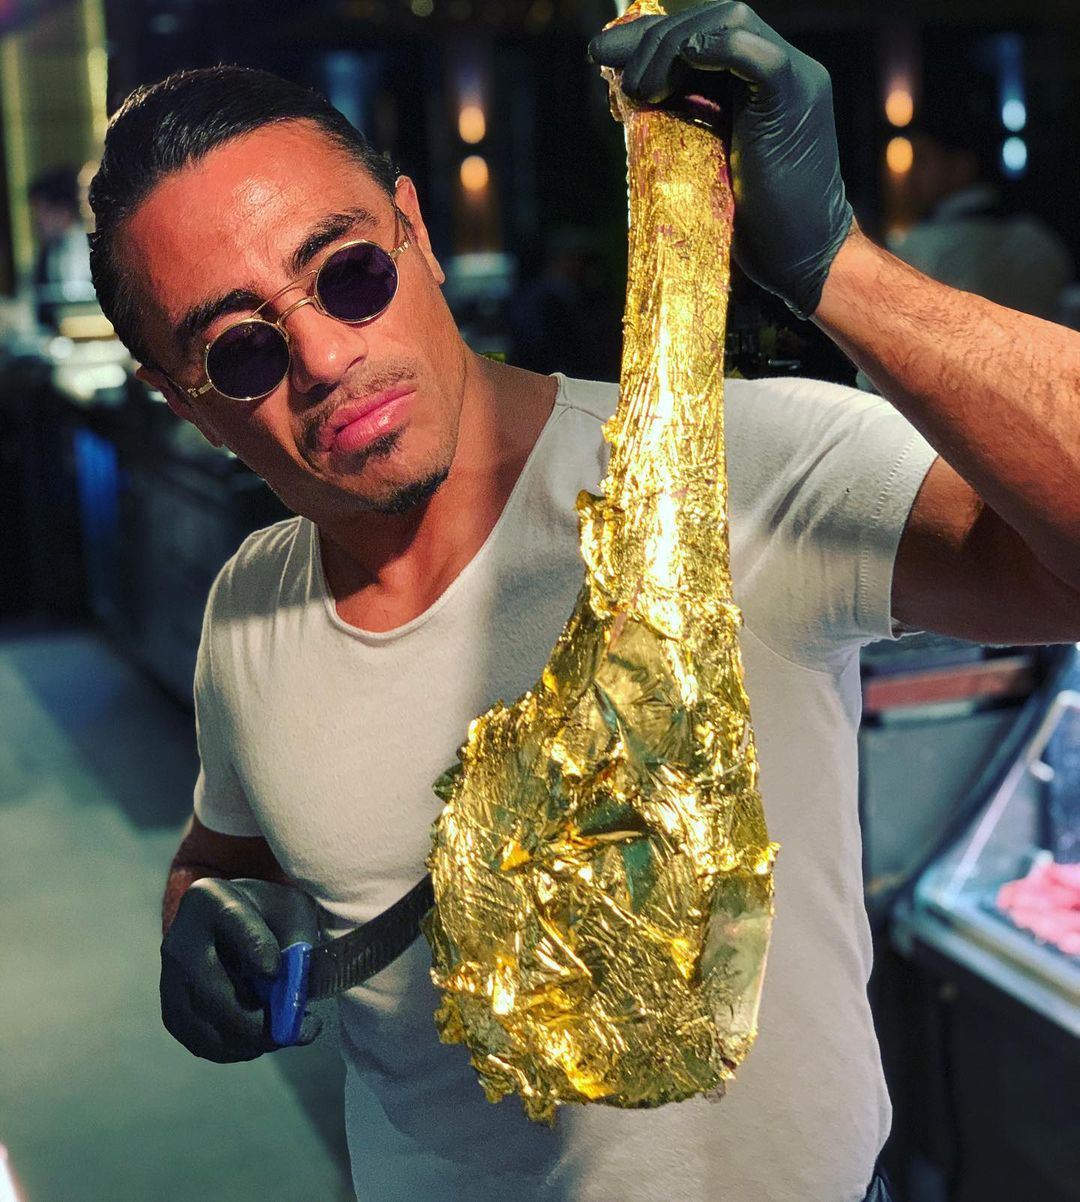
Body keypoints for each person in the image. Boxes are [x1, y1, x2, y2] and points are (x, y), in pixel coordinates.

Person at [85, 5, 1080, 1200]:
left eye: (349, 275)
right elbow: (228, 851)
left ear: (416, 232)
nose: (327, 358)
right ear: (182, 400)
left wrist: (840, 267)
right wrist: (204, 917)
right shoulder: (252, 607)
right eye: (242, 349)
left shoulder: (734, 467)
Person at [895, 107, 1073, 321]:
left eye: (922, 160)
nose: (913, 174)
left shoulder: (920, 249)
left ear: (961, 166)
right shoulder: (1041, 241)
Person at [28, 166, 95, 329]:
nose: (37, 221)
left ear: (63, 211)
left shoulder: (94, 247)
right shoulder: (45, 256)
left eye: (42, 211)